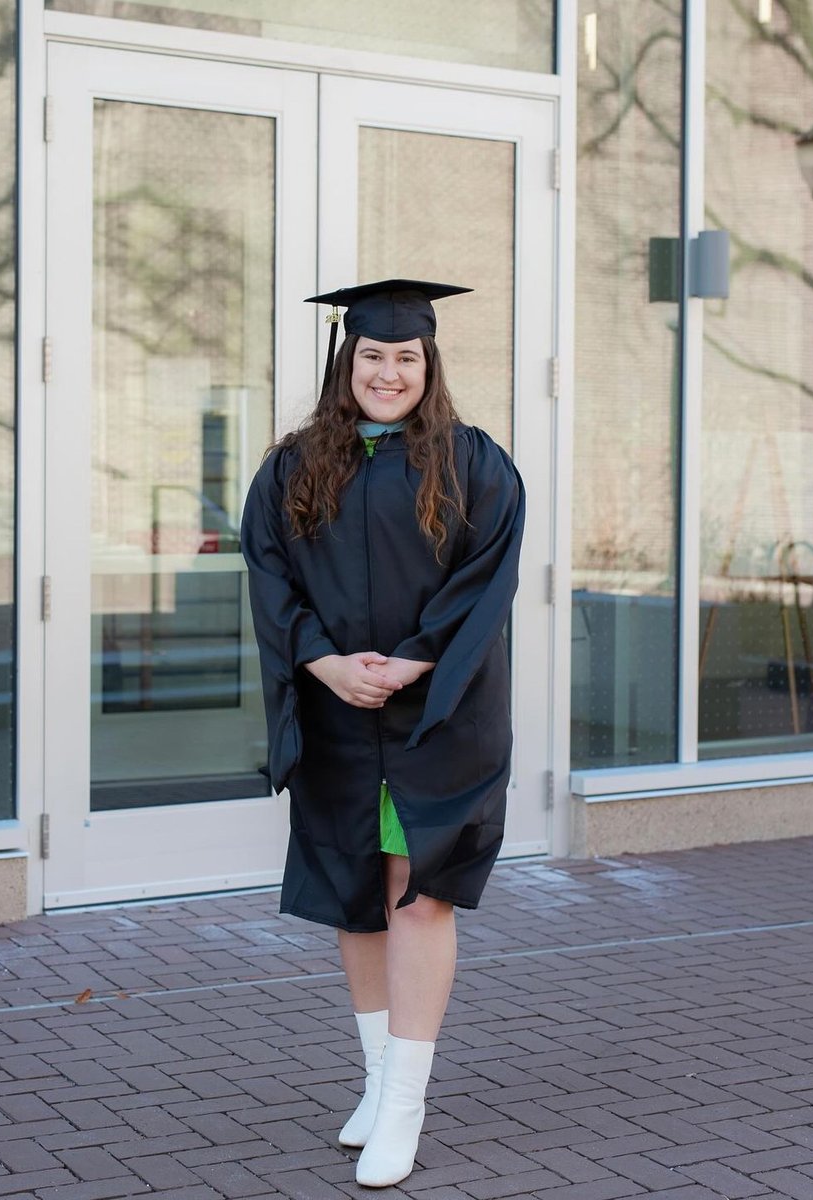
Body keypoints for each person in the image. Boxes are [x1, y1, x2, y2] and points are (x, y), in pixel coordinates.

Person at [241, 279, 525, 1188]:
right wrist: (321, 662)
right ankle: (375, 1082)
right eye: (372, 355)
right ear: (346, 362)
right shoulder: (293, 468)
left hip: (438, 711)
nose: (389, 372)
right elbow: (270, 577)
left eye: (406, 357)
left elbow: (487, 577)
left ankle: (406, 1102)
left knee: (417, 893)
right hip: (336, 711)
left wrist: (413, 660)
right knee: (353, 892)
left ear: (428, 364)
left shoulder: (472, 463)